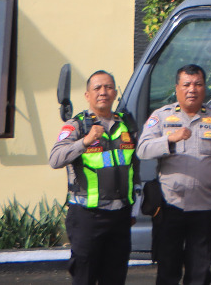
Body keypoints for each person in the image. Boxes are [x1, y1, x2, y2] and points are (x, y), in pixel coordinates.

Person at [136, 64, 211, 285]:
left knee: (200, 273)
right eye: (187, 84)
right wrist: (169, 140)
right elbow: (142, 149)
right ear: (177, 88)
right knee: (168, 270)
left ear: (204, 88)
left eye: (198, 84)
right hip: (170, 207)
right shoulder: (161, 116)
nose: (193, 89)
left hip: (205, 207)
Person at [51, 70, 138, 285]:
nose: (103, 92)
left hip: (120, 215)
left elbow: (134, 166)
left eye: (108, 87)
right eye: (97, 88)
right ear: (87, 95)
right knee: (85, 277)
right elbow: (55, 159)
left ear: (115, 93)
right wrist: (85, 141)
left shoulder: (126, 123)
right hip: (87, 217)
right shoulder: (77, 125)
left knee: (115, 277)